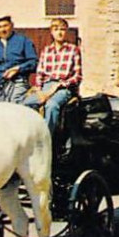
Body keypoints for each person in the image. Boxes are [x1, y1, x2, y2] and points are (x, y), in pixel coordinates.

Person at [30, 18, 81, 148]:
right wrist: (40, 90)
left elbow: (78, 76)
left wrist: (60, 85)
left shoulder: (73, 50)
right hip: (46, 86)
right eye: (56, 29)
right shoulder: (46, 51)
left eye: (63, 29)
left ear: (66, 32)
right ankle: (29, 139)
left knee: (52, 105)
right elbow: (40, 73)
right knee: (26, 104)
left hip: (64, 87)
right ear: (51, 32)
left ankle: (45, 141)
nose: (60, 33)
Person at [0, 15, 38, 106]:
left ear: (12, 25)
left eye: (5, 26)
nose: (3, 30)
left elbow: (34, 63)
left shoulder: (24, 41)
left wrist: (18, 69)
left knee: (14, 105)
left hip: (18, 83)